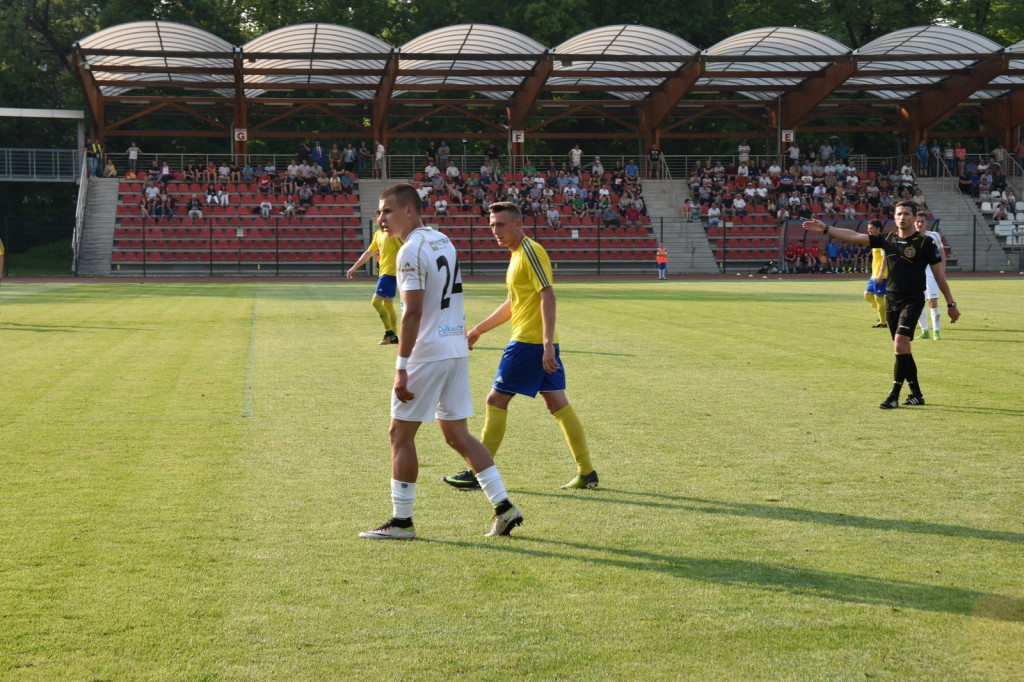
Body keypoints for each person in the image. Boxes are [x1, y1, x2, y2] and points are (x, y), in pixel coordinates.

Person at [359, 184, 522, 540]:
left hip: (428, 352)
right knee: (457, 434)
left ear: (409, 211)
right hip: (454, 347)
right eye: (379, 212)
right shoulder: (441, 239)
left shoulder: (409, 251)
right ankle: (504, 506)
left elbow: (413, 312)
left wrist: (401, 366)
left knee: (399, 434)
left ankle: (402, 522)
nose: (380, 218)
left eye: (387, 211)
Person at [442, 201, 598, 490]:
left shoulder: (530, 251)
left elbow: (547, 296)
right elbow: (514, 303)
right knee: (556, 403)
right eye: (491, 225)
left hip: (529, 343)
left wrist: (547, 344)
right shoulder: (516, 256)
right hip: (538, 343)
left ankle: (478, 472)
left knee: (495, 400)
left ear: (518, 225)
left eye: (500, 224)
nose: (495, 231)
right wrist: (479, 330)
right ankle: (587, 472)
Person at [802, 201, 960, 408]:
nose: (902, 217)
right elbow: (855, 236)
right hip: (892, 299)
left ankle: (894, 395)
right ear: (894, 217)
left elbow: (939, 275)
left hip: (913, 299)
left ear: (914, 218)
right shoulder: (888, 239)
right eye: (899, 214)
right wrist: (826, 228)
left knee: (899, 344)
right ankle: (917, 394)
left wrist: (950, 303)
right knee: (903, 349)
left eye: (907, 214)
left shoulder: (925, 243)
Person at [346, 222, 404, 345]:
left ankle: (389, 333)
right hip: (384, 273)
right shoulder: (378, 234)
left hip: (390, 273)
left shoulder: (393, 235)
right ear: (377, 218)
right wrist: (355, 267)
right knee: (388, 305)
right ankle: (393, 336)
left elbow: (403, 249)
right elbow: (369, 252)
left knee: (375, 302)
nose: (382, 218)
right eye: (379, 215)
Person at [914, 214, 946, 340]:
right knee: (918, 303)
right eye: (917, 221)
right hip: (915, 274)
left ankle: (936, 332)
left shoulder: (934, 235)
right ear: (913, 222)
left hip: (930, 273)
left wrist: (942, 271)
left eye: (922, 221)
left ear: (926, 223)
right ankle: (925, 331)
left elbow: (942, 253)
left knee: (933, 302)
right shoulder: (909, 236)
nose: (920, 223)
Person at [863, 219, 887, 328]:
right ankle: (884, 315)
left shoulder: (882, 240)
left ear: (878, 229)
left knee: (879, 297)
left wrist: (881, 273)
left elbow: (884, 258)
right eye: (868, 228)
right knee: (867, 295)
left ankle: (883, 322)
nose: (869, 230)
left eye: (871, 228)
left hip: (881, 274)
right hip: (874, 274)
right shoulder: (874, 240)